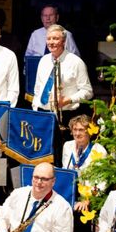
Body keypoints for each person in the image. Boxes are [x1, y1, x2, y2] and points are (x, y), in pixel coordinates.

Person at [32, 24, 93, 163]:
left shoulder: (76, 62)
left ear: (64, 41)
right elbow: (38, 88)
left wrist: (69, 100)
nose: (51, 42)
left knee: (62, 157)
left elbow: (88, 91)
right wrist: (36, 109)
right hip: (45, 115)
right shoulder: (43, 61)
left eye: (55, 38)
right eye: (49, 39)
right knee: (45, 157)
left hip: (66, 117)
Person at [0, 162, 73, 232]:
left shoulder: (62, 207)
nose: (39, 182)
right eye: (36, 177)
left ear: (53, 181)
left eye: (44, 179)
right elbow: (3, 217)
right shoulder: (18, 194)